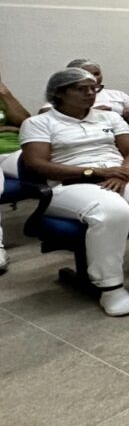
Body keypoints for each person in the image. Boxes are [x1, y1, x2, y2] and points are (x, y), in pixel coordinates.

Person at [19, 68, 129, 315]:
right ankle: (111, 288)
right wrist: (95, 173)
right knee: (113, 210)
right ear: (59, 93)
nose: (90, 93)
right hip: (69, 185)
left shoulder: (108, 118)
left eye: (93, 88)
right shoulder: (38, 123)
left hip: (118, 174)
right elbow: (38, 164)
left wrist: (124, 173)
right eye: (81, 88)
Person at [58, 59, 129, 170]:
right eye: (88, 74)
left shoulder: (117, 94)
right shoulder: (67, 98)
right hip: (96, 137)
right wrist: (92, 112)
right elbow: (48, 114)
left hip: (127, 133)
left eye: (97, 74)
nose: (94, 78)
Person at [0, 67, 34, 273]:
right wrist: (7, 127)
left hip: (13, 152)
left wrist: (5, 93)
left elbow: (27, 123)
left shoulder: (3, 97)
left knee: (43, 164)